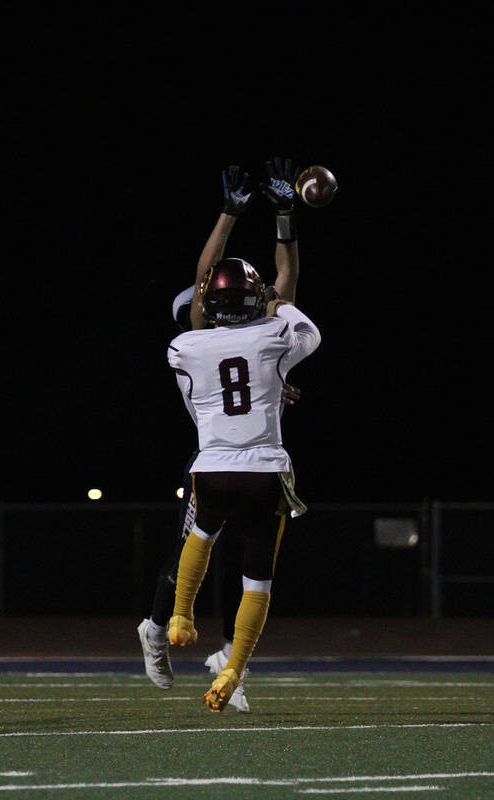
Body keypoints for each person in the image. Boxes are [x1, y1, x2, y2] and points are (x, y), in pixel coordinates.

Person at [137, 159, 304, 712]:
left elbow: (214, 285)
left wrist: (231, 214)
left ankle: (214, 648)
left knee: (211, 547)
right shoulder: (235, 335)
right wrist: (282, 220)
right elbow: (281, 290)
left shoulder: (193, 348)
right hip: (236, 456)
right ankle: (159, 631)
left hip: (222, 457)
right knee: (217, 556)